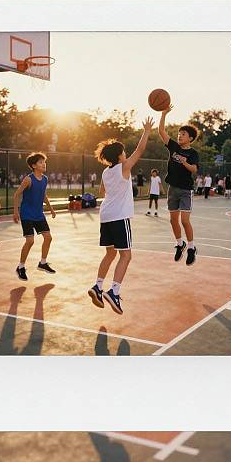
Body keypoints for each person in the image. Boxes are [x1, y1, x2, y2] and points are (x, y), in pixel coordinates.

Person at [87, 117, 154, 314]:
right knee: (126, 255)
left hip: (105, 215)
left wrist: (116, 191)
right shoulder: (124, 167)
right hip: (118, 216)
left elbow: (101, 192)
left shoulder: (106, 172)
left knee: (110, 253)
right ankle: (114, 291)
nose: (127, 154)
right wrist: (147, 130)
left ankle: (97, 286)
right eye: (124, 151)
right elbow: (140, 150)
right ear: (119, 155)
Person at [158, 105, 199, 266]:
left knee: (184, 220)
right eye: (179, 134)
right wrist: (163, 114)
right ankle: (179, 243)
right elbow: (161, 132)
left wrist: (185, 163)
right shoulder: (174, 147)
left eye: (183, 134)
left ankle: (191, 247)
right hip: (172, 189)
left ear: (190, 138)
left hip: (185, 190)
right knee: (173, 220)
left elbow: (194, 169)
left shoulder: (193, 154)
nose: (180, 136)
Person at [13, 152, 57, 280]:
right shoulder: (28, 179)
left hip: (39, 214)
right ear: (33, 165)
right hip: (27, 213)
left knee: (48, 238)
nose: (44, 164)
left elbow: (43, 195)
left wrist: (51, 209)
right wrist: (15, 212)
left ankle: (42, 263)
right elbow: (16, 195)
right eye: (40, 162)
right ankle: (21, 267)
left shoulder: (44, 179)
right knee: (30, 241)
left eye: (44, 161)